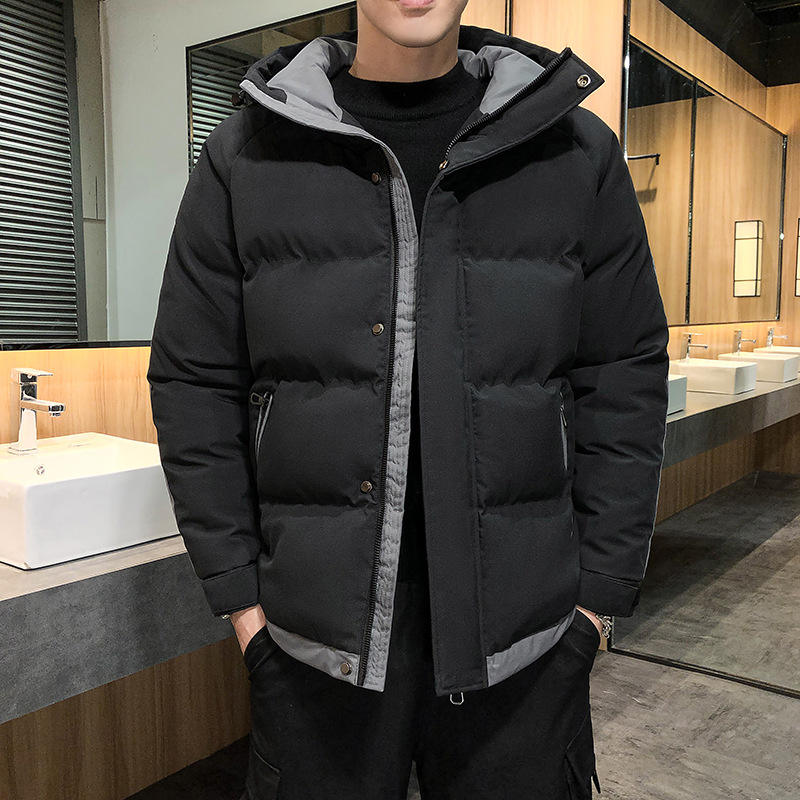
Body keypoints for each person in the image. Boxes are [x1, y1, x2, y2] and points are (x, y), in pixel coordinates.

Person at [147, 1, 670, 798]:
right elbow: (195, 382)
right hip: (312, 644)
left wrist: (596, 605)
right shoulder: (246, 154)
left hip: (526, 643)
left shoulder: (574, 151)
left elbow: (623, 377)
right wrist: (243, 609)